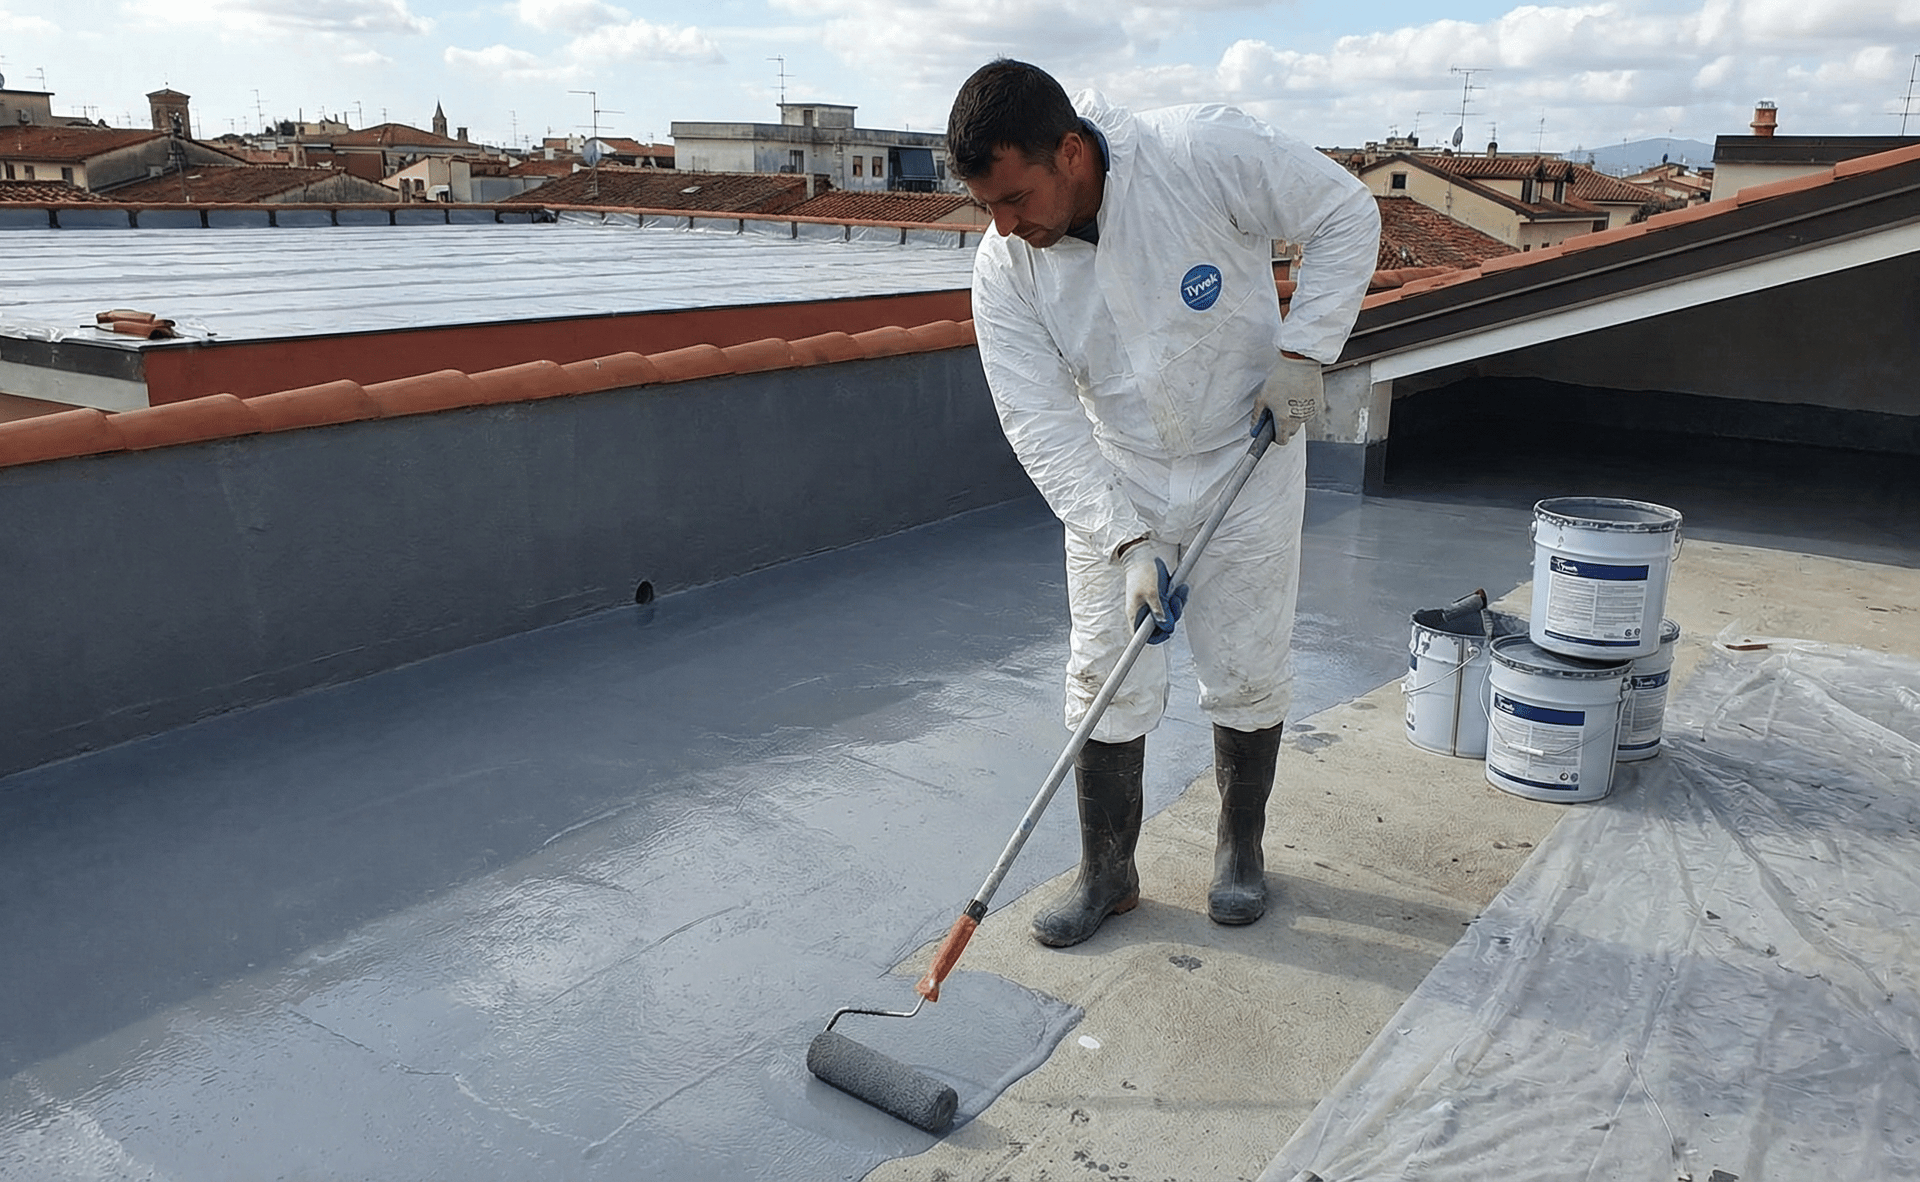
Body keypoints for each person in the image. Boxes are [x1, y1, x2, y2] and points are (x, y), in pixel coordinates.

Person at [947, 59, 1379, 947]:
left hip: (1246, 454)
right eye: (988, 206)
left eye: (1016, 197)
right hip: (1122, 471)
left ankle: (1240, 850)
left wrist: (1306, 350)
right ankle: (1109, 872)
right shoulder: (1007, 267)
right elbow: (1037, 419)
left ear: (1070, 152)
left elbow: (1346, 213)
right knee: (1105, 672)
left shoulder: (1198, 152)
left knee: (1249, 659)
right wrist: (1125, 541)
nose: (1006, 225)